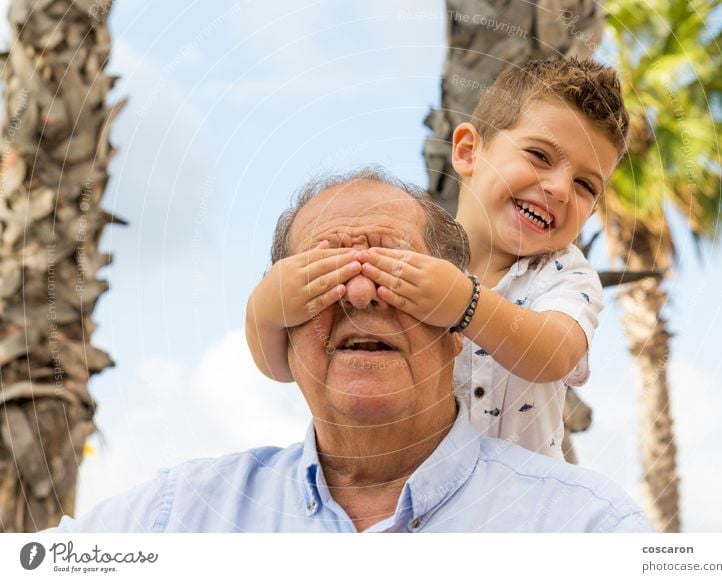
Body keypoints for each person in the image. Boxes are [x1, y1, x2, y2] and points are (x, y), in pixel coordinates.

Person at [49, 171, 651, 532]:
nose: (362, 293)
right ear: (285, 323)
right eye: (322, 273)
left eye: (400, 271)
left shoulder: (586, 529)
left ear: (462, 324)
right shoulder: (175, 518)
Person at [247, 57, 627, 459]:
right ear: (466, 152)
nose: (561, 189)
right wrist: (269, 306)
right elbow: (280, 368)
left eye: (586, 185)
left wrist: (466, 304)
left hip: (519, 507)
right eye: (539, 155)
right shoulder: (410, 248)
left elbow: (555, 354)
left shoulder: (564, 274)